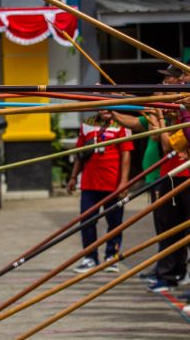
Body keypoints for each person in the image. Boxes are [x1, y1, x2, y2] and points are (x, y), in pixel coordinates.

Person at [68, 110, 133, 273]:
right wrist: (73, 176)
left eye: (108, 107)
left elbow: (126, 155)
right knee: (87, 221)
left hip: (114, 184)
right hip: (89, 183)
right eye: (102, 106)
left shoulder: (123, 125)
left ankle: (111, 256)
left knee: (115, 222)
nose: (105, 111)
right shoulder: (87, 124)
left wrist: (124, 182)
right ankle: (90, 257)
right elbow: (80, 153)